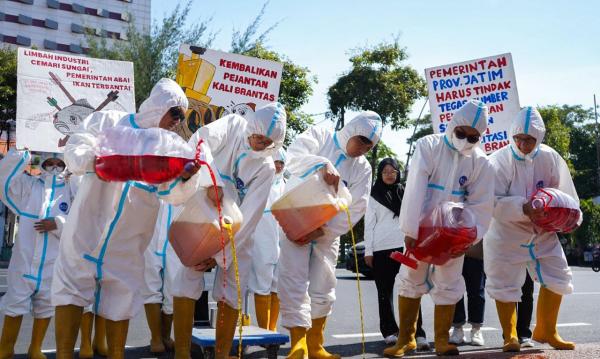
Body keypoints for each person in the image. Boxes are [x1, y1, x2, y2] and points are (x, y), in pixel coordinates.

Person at [51, 78, 203, 358]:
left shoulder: (168, 146)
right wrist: (96, 158)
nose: (176, 122)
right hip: (87, 227)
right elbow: (76, 149)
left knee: (121, 297)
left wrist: (184, 177)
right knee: (71, 289)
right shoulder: (109, 121)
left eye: (180, 116)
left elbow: (172, 194)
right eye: (174, 113)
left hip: (128, 241)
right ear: (159, 106)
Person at [171, 102, 286, 359]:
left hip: (237, 233)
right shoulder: (233, 125)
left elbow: (251, 216)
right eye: (257, 136)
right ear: (251, 127)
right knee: (187, 277)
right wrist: (213, 181)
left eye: (266, 141)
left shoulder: (266, 168)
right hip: (201, 214)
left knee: (232, 289)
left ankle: (222, 354)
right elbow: (201, 141)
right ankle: (181, 352)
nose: (259, 143)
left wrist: (219, 255)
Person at [385, 99, 494, 357]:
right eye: (461, 132)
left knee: (449, 282)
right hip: (420, 231)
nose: (466, 139)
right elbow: (414, 191)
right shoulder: (428, 146)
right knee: (411, 279)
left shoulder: (481, 162)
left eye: (473, 136)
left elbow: (482, 206)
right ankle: (405, 340)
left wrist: (466, 241)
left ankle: (443, 340)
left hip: (453, 237)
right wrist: (410, 230)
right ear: (452, 125)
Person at [279, 111, 382, 359]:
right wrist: (321, 164)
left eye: (369, 146)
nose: (362, 150)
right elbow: (292, 157)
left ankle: (315, 344)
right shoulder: (320, 135)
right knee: (293, 281)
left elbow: (357, 206)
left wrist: (323, 230)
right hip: (294, 221)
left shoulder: (363, 168)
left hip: (327, 234)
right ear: (350, 131)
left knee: (324, 285)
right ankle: (298, 344)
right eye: (361, 141)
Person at [484, 106, 578, 352]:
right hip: (506, 233)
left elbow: (566, 194)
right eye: (519, 138)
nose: (523, 143)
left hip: (543, 231)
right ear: (512, 136)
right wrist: (522, 208)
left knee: (558, 276)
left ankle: (547, 330)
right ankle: (510, 336)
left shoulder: (550, 157)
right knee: (504, 284)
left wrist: (571, 217)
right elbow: (489, 202)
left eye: (529, 139)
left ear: (539, 137)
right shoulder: (497, 160)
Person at [0, 151, 77, 359]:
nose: (53, 166)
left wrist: (59, 224)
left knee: (46, 304)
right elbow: (3, 183)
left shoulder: (71, 189)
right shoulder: (29, 185)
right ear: (42, 162)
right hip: (24, 259)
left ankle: (35, 348)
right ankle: (5, 348)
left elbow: (85, 219)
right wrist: (21, 155)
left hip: (54, 261)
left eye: (58, 162)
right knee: (15, 302)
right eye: (49, 162)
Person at [364, 158, 429, 350]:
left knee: (412, 290)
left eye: (392, 171)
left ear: (398, 172)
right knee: (384, 293)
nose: (389, 174)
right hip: (381, 249)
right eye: (385, 171)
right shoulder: (374, 196)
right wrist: (368, 251)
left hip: (405, 248)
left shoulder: (407, 193)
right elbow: (369, 225)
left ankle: (418, 333)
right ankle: (390, 332)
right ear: (380, 174)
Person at [248, 148, 287, 331]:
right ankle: (264, 330)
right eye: (275, 161)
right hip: (261, 241)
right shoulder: (259, 184)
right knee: (262, 285)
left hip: (281, 241)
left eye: (281, 162)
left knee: (277, 286)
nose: (278, 166)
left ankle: (271, 330)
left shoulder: (286, 185)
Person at [142, 201, 180, 353]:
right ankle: (156, 338)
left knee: (175, 289)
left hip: (177, 231)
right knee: (150, 286)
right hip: (151, 231)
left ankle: (165, 335)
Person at [449, 242, 486, 346]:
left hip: (476, 250)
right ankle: (457, 328)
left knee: (477, 291)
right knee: (454, 291)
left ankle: (476, 329)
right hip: (453, 251)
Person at [517, 272, 535, 347]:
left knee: (527, 293)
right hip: (507, 261)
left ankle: (524, 333)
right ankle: (510, 334)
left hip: (528, 262)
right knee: (508, 292)